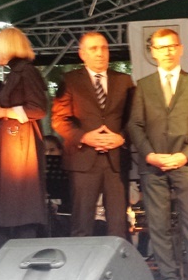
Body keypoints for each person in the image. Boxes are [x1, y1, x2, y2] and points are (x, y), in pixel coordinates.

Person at [127, 28, 188, 280]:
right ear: (152, 52)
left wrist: (186, 155)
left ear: (181, 48)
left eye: (172, 46)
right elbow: (134, 125)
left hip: (186, 162)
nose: (167, 51)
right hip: (154, 165)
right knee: (159, 225)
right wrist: (149, 154)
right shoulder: (143, 85)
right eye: (161, 47)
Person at [0, 27, 49, 261]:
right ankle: (1, 261)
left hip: (18, 145)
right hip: (8, 144)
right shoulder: (14, 73)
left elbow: (38, 108)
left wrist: (5, 112)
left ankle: (15, 261)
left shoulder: (26, 71)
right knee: (4, 207)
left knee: (18, 206)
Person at [52, 32, 134, 239]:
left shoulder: (124, 80)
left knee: (118, 225)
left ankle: (118, 260)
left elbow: (134, 118)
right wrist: (83, 137)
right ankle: (82, 261)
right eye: (93, 49)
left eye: (104, 48)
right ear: (82, 54)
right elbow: (59, 119)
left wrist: (122, 137)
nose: (100, 53)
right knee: (82, 224)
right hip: (83, 159)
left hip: (116, 160)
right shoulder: (70, 80)